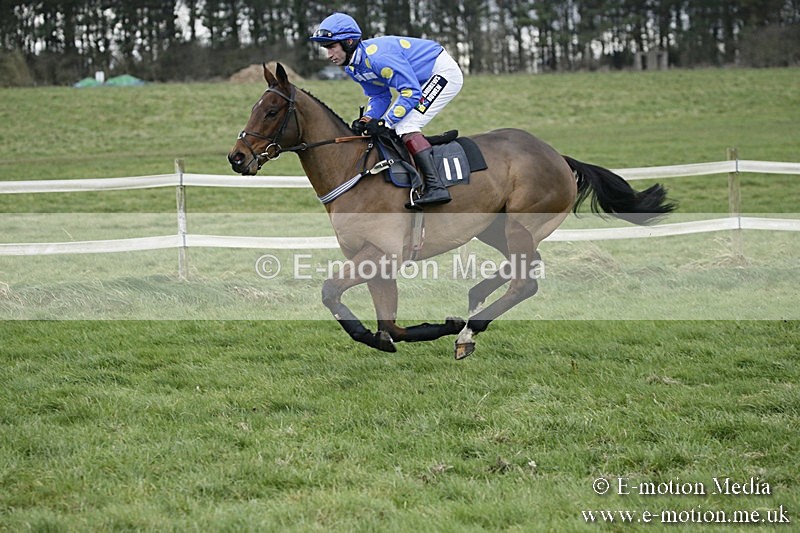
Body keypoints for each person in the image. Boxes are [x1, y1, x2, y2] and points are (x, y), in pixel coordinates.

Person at [310, 12, 464, 208]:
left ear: (349, 42)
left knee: (406, 125)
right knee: (393, 126)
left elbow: (410, 92)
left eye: (331, 47)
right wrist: (367, 119)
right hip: (417, 82)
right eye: (326, 49)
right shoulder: (353, 67)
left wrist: (385, 122)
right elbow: (379, 96)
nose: (329, 55)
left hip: (441, 73)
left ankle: (436, 187)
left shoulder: (378, 58)